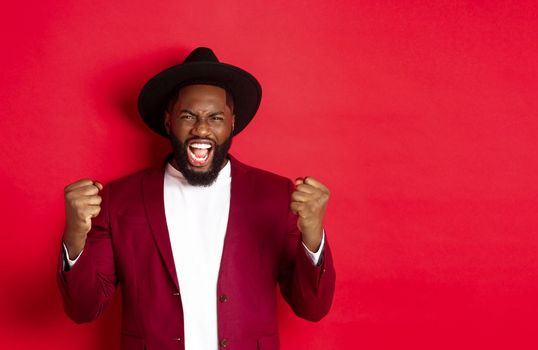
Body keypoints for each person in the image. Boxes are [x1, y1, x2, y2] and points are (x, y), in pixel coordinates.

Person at [57, 47, 336, 350]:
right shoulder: (119, 199)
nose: (202, 128)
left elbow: (312, 308)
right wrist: (74, 235)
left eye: (215, 117)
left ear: (232, 123)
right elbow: (84, 309)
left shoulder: (276, 194)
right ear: (168, 121)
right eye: (188, 115)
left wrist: (313, 236)